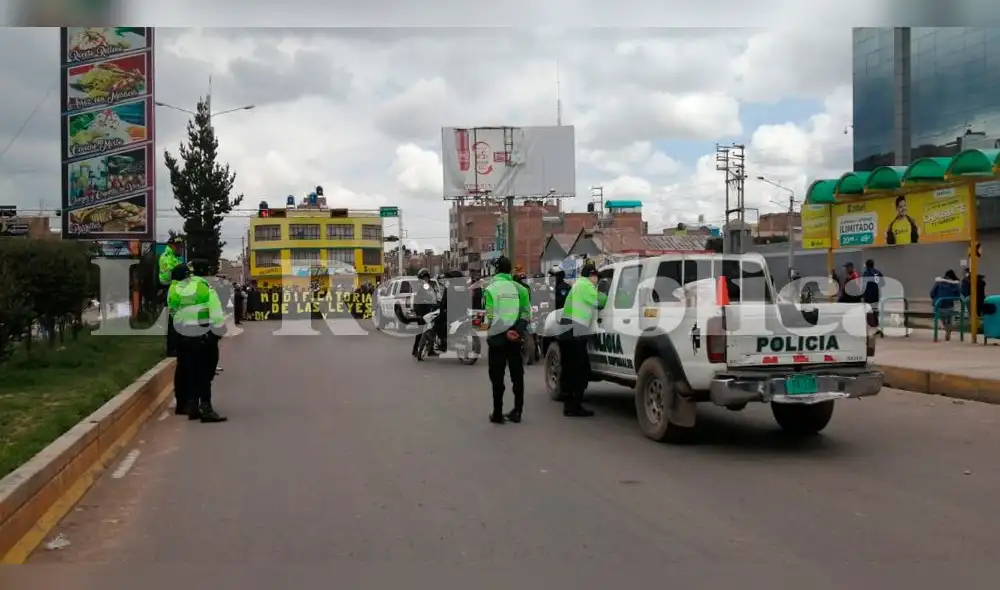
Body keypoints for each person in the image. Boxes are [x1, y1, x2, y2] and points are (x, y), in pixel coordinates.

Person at [168, 259, 227, 422]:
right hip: (203, 334)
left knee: (191, 370)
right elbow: (214, 312)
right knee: (206, 372)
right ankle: (206, 408)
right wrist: (218, 330)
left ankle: (193, 406)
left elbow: (173, 312)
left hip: (185, 334)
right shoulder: (205, 288)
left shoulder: (176, 289)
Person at [483, 256, 531, 424]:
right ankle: (517, 411)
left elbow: (489, 316)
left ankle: (498, 413)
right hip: (515, 338)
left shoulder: (490, 289)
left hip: (497, 339)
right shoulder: (521, 289)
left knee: (497, 377)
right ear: (510, 270)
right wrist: (516, 331)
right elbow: (526, 313)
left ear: (496, 270)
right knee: (517, 374)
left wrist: (504, 332)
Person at [558, 263, 606, 417]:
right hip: (576, 331)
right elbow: (600, 302)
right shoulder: (586, 286)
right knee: (581, 368)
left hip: (567, 330)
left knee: (568, 368)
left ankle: (568, 404)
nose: (596, 279)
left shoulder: (577, 285)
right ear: (592, 275)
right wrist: (605, 293)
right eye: (596, 276)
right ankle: (576, 405)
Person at [159, 237, 184, 356]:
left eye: (181, 246)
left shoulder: (175, 258)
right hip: (169, 288)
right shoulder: (166, 257)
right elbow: (168, 275)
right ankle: (172, 349)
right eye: (178, 246)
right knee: (173, 320)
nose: (180, 248)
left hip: (177, 289)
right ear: (171, 245)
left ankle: (178, 347)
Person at [412, 268, 438, 358]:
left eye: (427, 278)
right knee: (421, 331)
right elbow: (418, 300)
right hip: (420, 311)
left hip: (429, 310)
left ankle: (430, 350)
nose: (425, 280)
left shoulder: (429, 287)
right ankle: (415, 349)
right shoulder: (419, 288)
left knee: (431, 329)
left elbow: (434, 296)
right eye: (424, 278)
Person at [930, 269, 962, 341]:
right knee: (950, 317)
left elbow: (931, 293)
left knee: (942, 317)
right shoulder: (955, 284)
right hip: (949, 306)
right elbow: (958, 296)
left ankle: (946, 327)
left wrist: (936, 298)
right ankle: (948, 327)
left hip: (938, 306)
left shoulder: (938, 282)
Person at [862, 259, 885, 335]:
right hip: (876, 294)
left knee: (868, 310)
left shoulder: (866, 273)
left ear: (867, 265)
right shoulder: (878, 272)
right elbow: (882, 283)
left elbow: (864, 284)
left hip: (868, 295)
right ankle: (876, 325)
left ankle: (869, 326)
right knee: (875, 310)